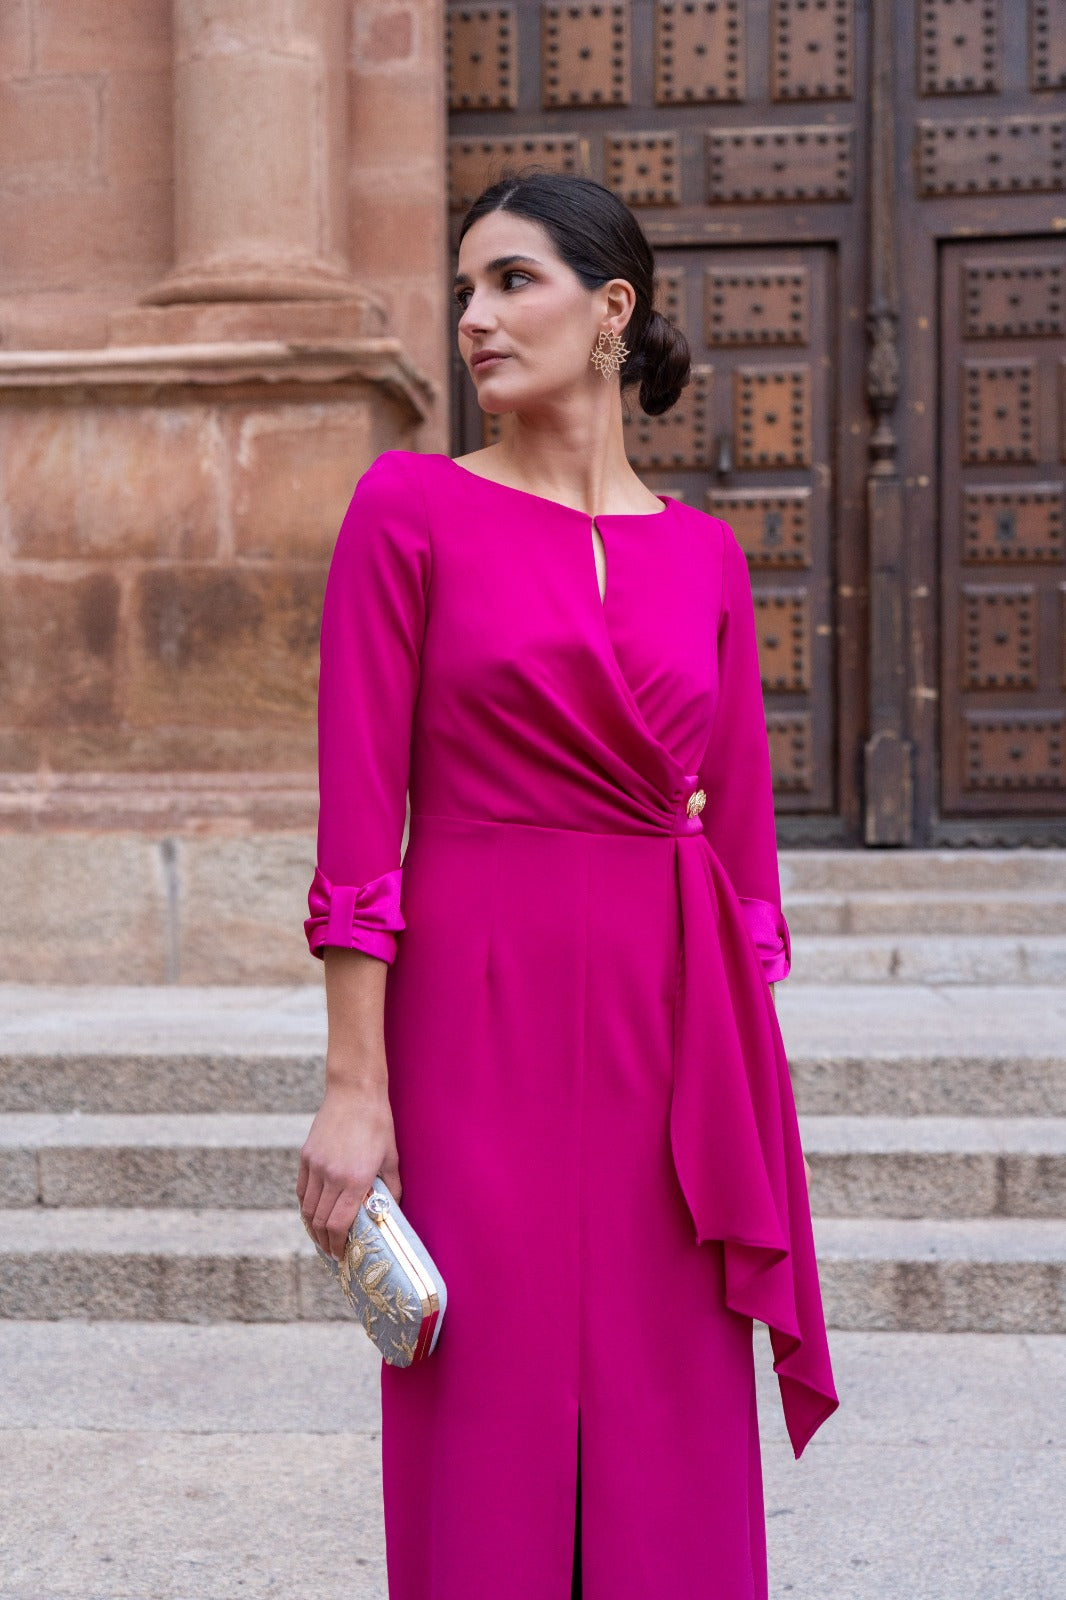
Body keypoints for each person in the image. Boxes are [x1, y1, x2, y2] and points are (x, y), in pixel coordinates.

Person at [296, 170, 838, 1600]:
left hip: (673, 1028)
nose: (473, 318)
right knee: (483, 1410)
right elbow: (358, 826)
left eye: (511, 281)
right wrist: (354, 1085)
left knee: (670, 1409)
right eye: (463, 290)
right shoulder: (406, 508)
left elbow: (744, 864)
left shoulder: (707, 556)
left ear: (612, 311)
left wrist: (745, 1092)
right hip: (475, 1011)